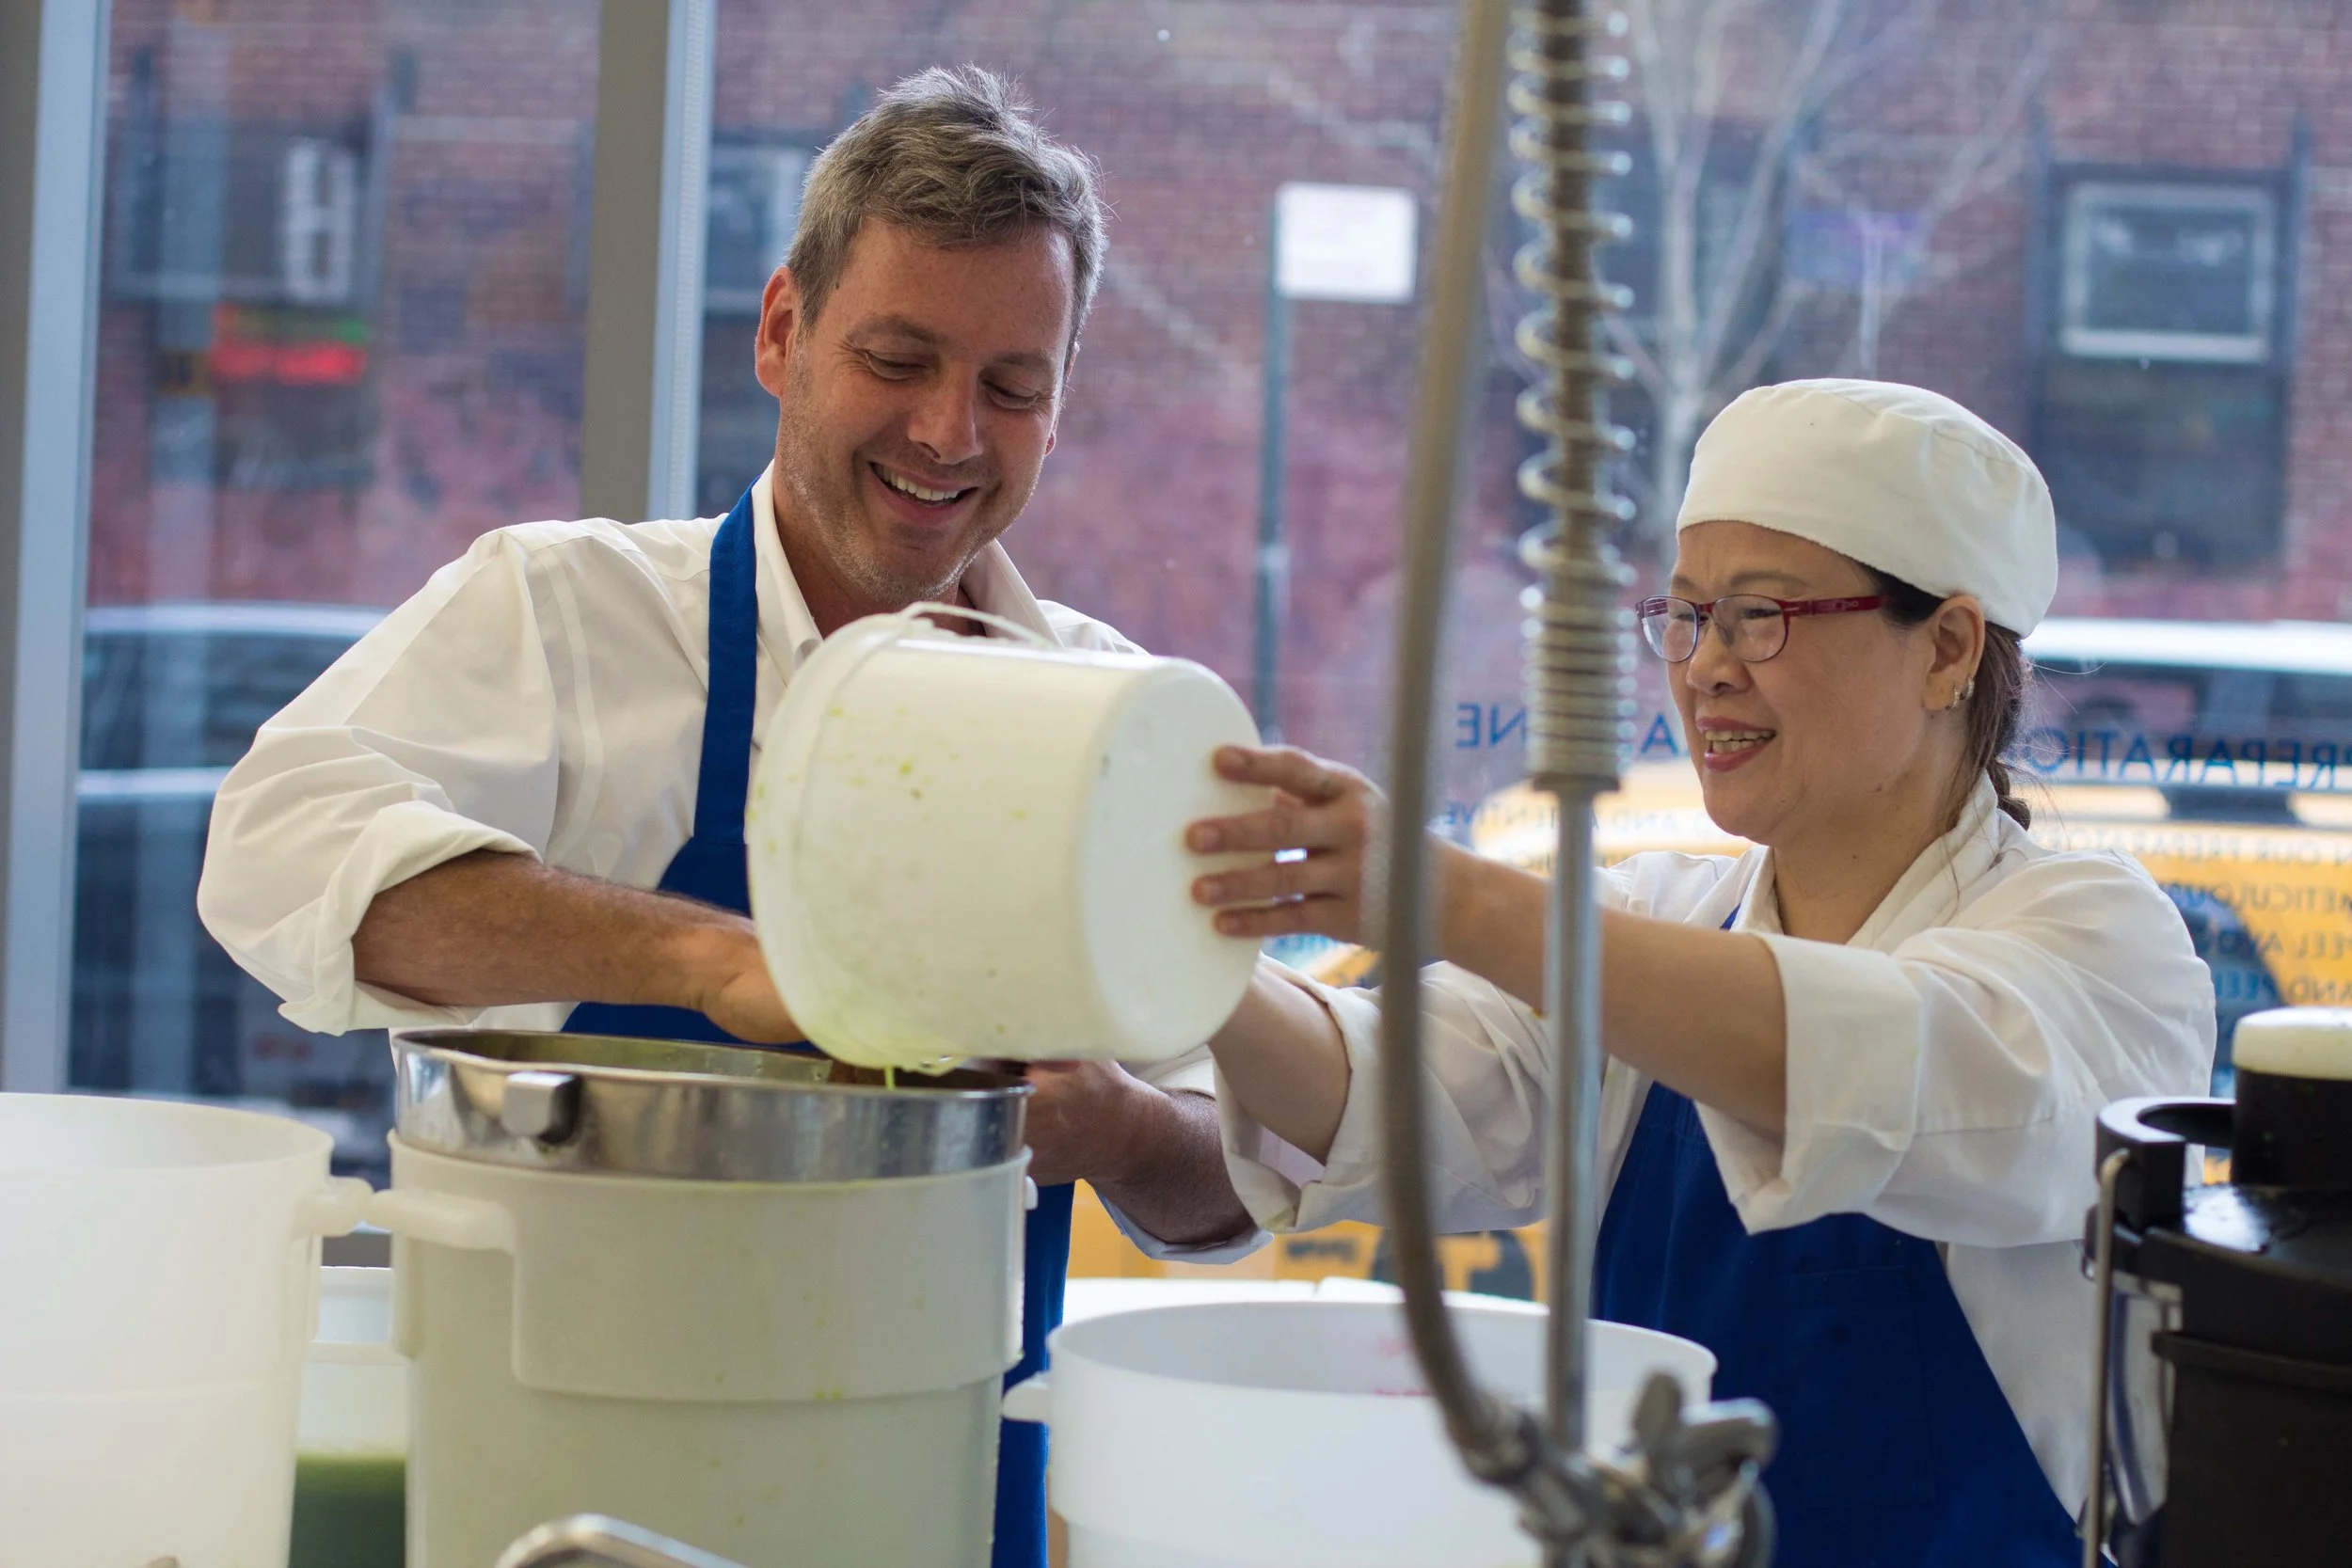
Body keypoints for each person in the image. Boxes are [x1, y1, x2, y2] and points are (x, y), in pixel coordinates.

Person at [198, 66, 1258, 1568]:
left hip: (938, 1496)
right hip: (571, 1488)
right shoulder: (567, 615)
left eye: (1013, 387)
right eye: (898, 358)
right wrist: (716, 963)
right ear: (780, 333)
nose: (950, 431)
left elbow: (1232, 1182)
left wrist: (1121, 1122)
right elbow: (275, 850)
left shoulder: (1110, 721)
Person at [1184, 380, 2216, 1567]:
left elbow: (1877, 1061)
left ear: (1947, 647)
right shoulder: (1657, 921)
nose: (1705, 668)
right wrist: (1183, 947)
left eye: (1759, 615)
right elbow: (1373, 1091)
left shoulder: (2100, 943)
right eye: (1683, 616)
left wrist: (1447, 895)